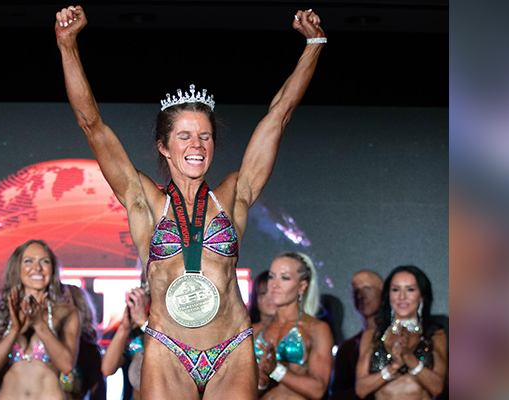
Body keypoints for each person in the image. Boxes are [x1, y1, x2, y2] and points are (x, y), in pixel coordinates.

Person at [55, 5, 326, 398]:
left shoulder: (235, 193)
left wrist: (314, 44)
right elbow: (91, 124)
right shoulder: (143, 200)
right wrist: (67, 46)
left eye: (204, 136)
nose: (196, 145)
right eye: (184, 136)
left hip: (231, 348)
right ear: (164, 146)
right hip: (169, 349)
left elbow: (279, 115)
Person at [0, 239, 80, 400]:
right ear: (17, 268)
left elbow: (66, 366)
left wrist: (40, 325)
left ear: (52, 269)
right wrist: (14, 331)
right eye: (29, 261)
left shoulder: (66, 314)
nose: (37, 268)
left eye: (44, 261)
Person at [355, 266, 447, 399]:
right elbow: (361, 389)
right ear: (389, 295)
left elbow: (437, 387)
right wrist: (394, 366)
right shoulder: (372, 335)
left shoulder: (434, 335)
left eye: (410, 289)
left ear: (421, 296)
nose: (402, 297)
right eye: (395, 290)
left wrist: (409, 358)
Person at [253, 252, 334, 399]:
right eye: (272, 276)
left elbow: (318, 389)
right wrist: (262, 380)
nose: (275, 284)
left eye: (285, 277)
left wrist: (275, 370)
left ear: (302, 286)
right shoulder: (256, 330)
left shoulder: (316, 329)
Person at [330, 270, 383, 400]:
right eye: (355, 291)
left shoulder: (398, 340)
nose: (361, 295)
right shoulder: (347, 348)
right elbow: (337, 394)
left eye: (367, 288)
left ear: (383, 293)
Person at [101, 286, 150, 400]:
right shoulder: (132, 335)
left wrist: (144, 323)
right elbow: (107, 369)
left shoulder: (167, 331)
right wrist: (124, 327)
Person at [63, 284, 106, 400]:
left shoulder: (89, 351)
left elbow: (98, 394)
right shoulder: (41, 344)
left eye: (66, 301)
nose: (60, 307)